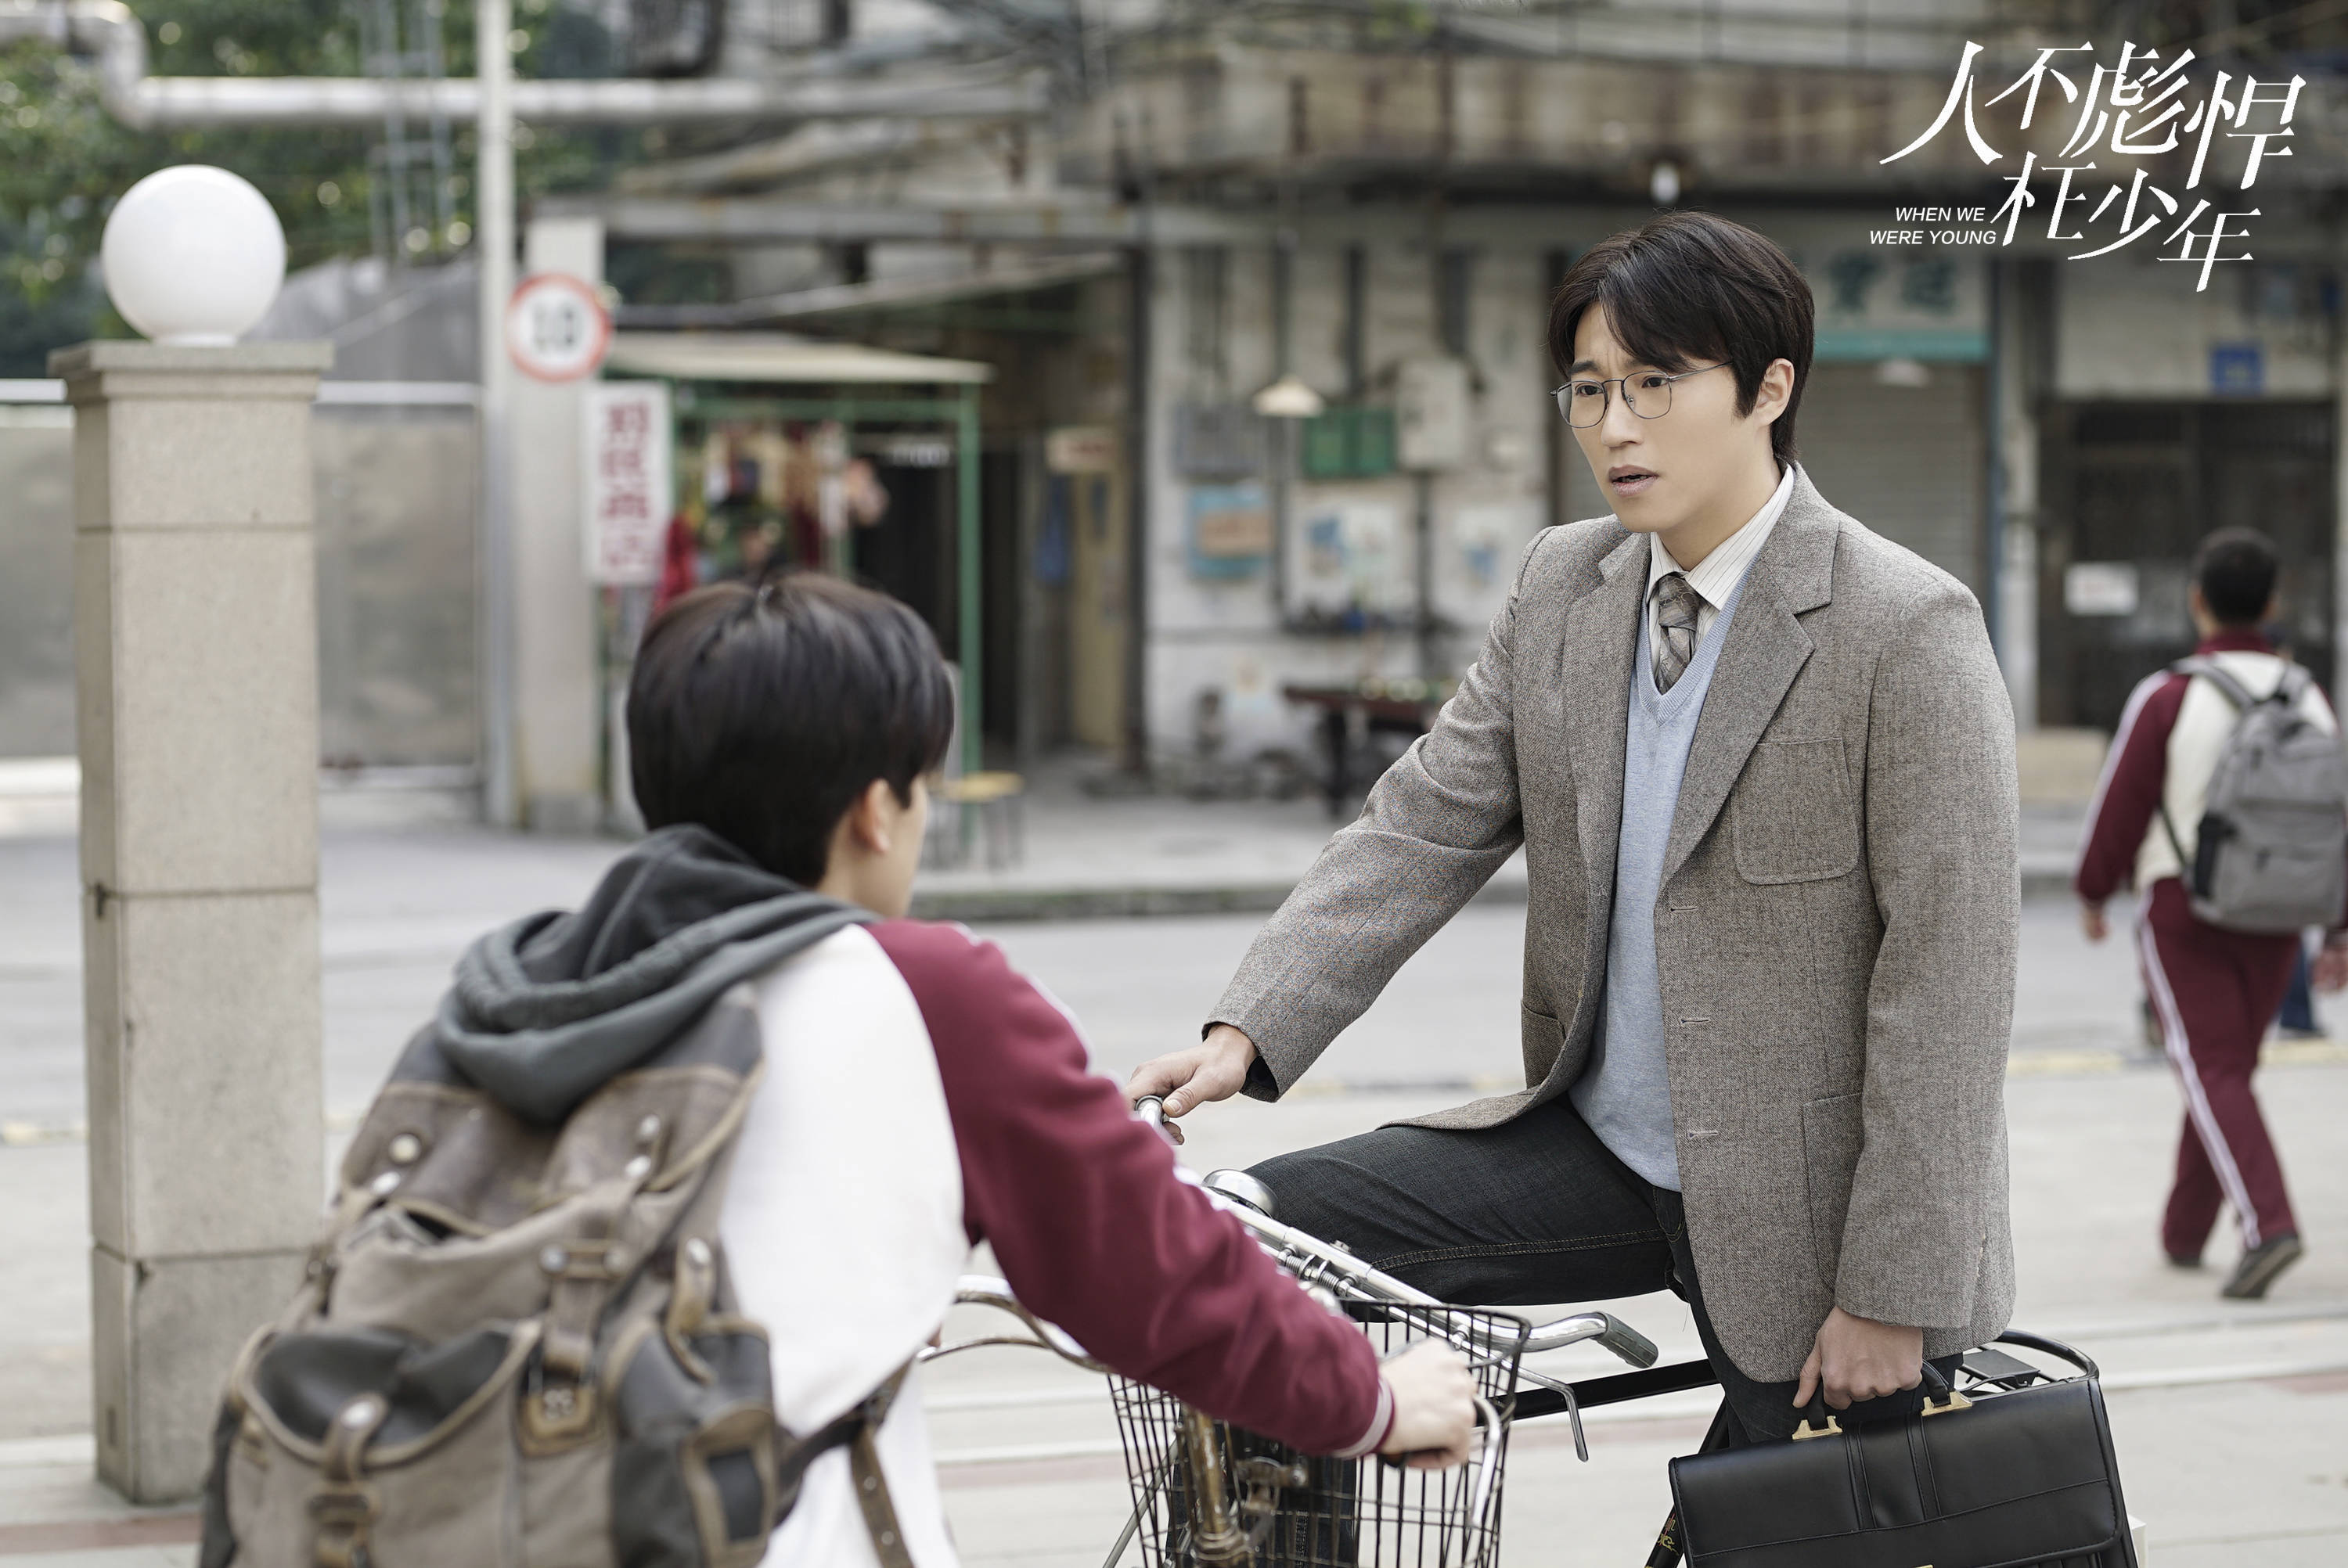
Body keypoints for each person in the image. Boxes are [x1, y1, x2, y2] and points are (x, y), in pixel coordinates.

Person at [1129, 210, 2022, 1447]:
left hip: (1815, 1219)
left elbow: (1950, 987)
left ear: (1770, 390)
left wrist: (1893, 1295)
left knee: (1777, 1527)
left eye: (1656, 383)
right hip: (1597, 1152)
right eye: (1590, 389)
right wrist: (1247, 1031)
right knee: (1255, 1231)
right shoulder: (1565, 586)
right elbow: (1422, 823)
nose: (1616, 425)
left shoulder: (1904, 625)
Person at [452, 575, 1475, 1567]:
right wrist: (1376, 1401)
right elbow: (1157, 1271)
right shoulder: (925, 993)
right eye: (923, 789)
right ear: (876, 812)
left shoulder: (526, 981)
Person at [2075, 527, 2341, 1300]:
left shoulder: (2170, 696)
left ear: (2198, 601)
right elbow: (2335, 817)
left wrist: (2094, 891)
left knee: (2209, 1064)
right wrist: (2338, 928)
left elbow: (2121, 805)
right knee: (2223, 1066)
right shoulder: (2310, 698)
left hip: (2183, 907)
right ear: (2274, 602)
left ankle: (2269, 1226)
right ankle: (2184, 1232)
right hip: (2281, 910)